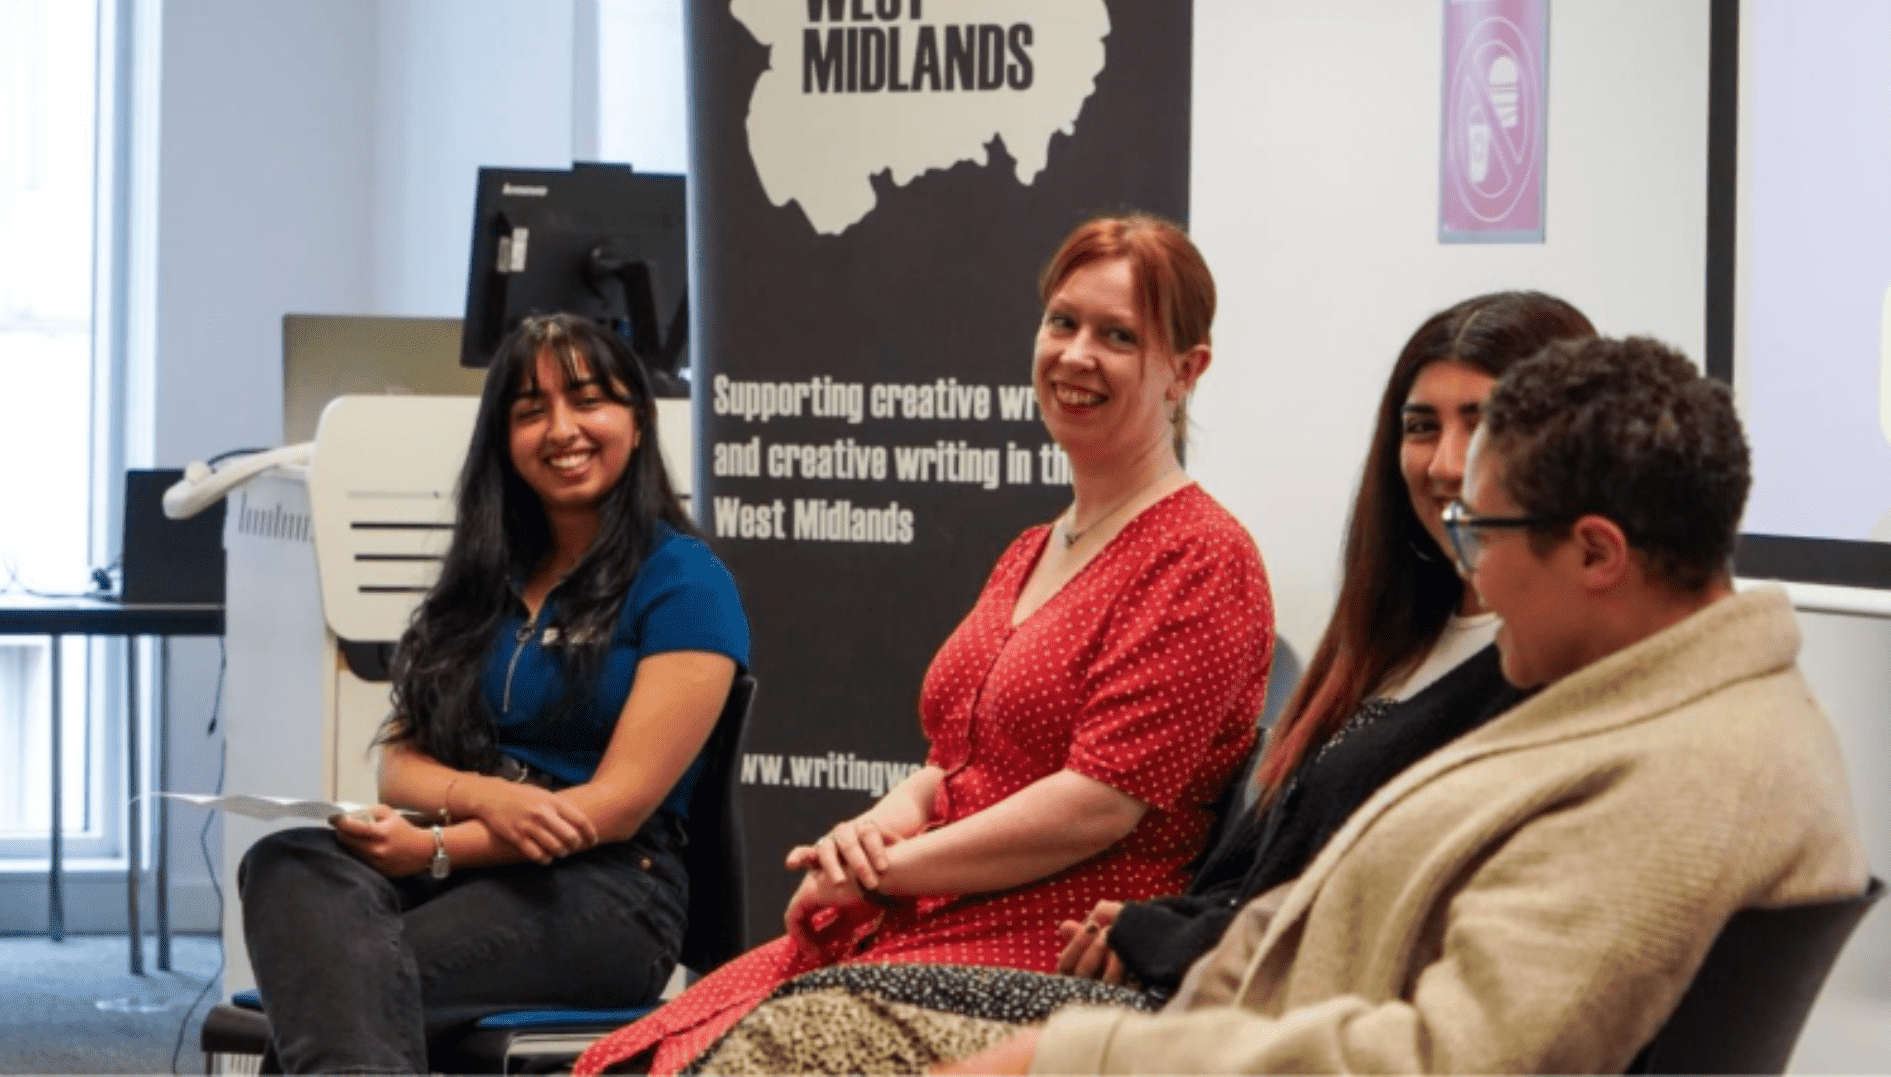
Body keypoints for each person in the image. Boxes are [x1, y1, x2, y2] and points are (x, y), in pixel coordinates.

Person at [681, 292, 1597, 1076]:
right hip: (1174, 967)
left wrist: (1169, 933)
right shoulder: (1385, 642)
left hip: (1214, 1005)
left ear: (1184, 370)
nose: (1444, 463)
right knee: (748, 1019)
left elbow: (1124, 816)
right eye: (1423, 425)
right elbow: (960, 755)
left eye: (1483, 423)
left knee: (815, 1028)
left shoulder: (1531, 674)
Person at [946, 335, 1866, 1075]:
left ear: (1597, 554)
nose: (1472, 566)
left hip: (1237, 1044)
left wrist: (1087, 1057)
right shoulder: (1657, 713)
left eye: (1482, 529)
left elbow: (1447, 1061)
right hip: (1233, 1024)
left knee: (827, 1043)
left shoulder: (1684, 782)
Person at [574, 214, 1276, 1075]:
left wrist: (886, 872)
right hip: (933, 914)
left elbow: (1098, 803)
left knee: (745, 1057)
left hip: (1049, 945)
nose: (1076, 355)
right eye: (1063, 322)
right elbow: (954, 761)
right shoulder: (1033, 547)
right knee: (637, 1057)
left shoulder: (1202, 556)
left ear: (1186, 371)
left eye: (1119, 337)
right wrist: (868, 834)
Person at [237, 313, 750, 1074]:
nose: (562, 428)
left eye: (588, 400)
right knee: (287, 861)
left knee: (345, 985)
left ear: (637, 424)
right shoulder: (482, 581)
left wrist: (436, 847)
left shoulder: (686, 582)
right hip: (474, 866)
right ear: (503, 442)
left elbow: (616, 807)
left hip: (608, 894)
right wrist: (487, 803)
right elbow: (399, 766)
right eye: (530, 410)